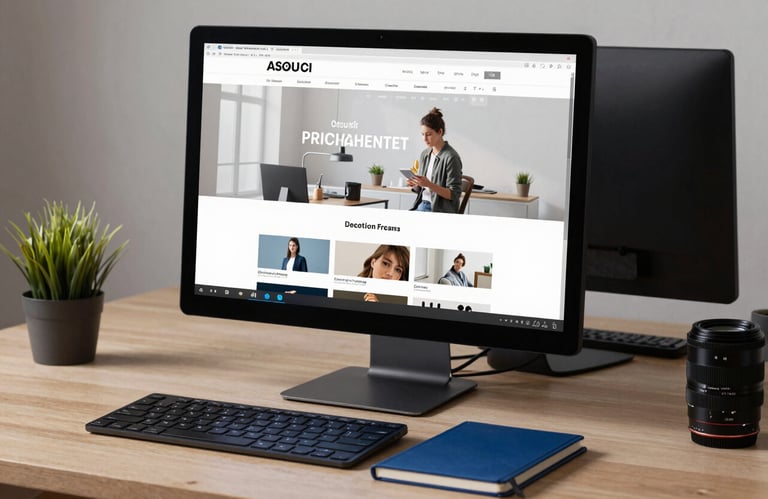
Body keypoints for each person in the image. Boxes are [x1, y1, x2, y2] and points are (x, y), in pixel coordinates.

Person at [408, 107, 464, 213]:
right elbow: (422, 190)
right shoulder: (425, 154)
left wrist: (429, 184)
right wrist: (416, 184)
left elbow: (454, 194)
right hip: (422, 205)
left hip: (439, 210)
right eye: (422, 134)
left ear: (440, 132)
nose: (424, 139)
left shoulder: (451, 157)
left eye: (429, 134)